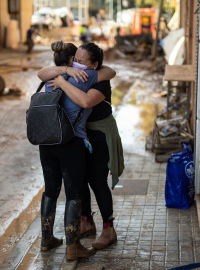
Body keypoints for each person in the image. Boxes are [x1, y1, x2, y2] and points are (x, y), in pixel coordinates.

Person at [40, 42, 124, 251]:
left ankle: (108, 230)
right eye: (74, 60)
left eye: (81, 61)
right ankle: (86, 222)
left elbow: (87, 101)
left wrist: (62, 81)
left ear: (94, 64)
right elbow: (42, 73)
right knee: (80, 180)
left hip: (100, 134)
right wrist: (66, 72)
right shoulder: (71, 73)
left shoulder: (98, 80)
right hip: (78, 136)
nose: (76, 63)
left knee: (96, 180)